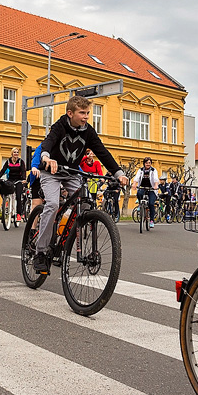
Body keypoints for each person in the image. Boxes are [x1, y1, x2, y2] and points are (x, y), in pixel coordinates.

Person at [33, 95, 129, 274]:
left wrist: (119, 173)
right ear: (70, 113)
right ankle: (40, 252)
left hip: (71, 173)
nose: (86, 117)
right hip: (51, 172)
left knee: (85, 204)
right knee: (53, 204)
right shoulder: (60, 125)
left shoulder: (88, 131)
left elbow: (102, 152)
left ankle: (64, 241)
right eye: (82, 113)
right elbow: (49, 141)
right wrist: (46, 156)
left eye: (88, 113)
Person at [0, 147, 28, 223]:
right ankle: (6, 207)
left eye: (17, 152)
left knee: (18, 196)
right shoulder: (8, 161)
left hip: (19, 180)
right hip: (10, 179)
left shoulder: (21, 162)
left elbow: (23, 171)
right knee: (5, 189)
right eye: (14, 152)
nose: (16, 154)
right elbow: (3, 170)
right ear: (12, 153)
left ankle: (19, 214)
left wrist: (24, 179)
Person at [132, 157, 160, 228]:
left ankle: (151, 220)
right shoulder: (141, 170)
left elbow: (155, 178)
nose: (148, 164)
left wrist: (156, 185)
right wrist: (134, 183)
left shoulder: (153, 170)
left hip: (151, 189)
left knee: (151, 203)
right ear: (144, 163)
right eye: (146, 163)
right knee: (139, 193)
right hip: (143, 187)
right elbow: (137, 177)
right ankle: (140, 204)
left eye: (149, 163)